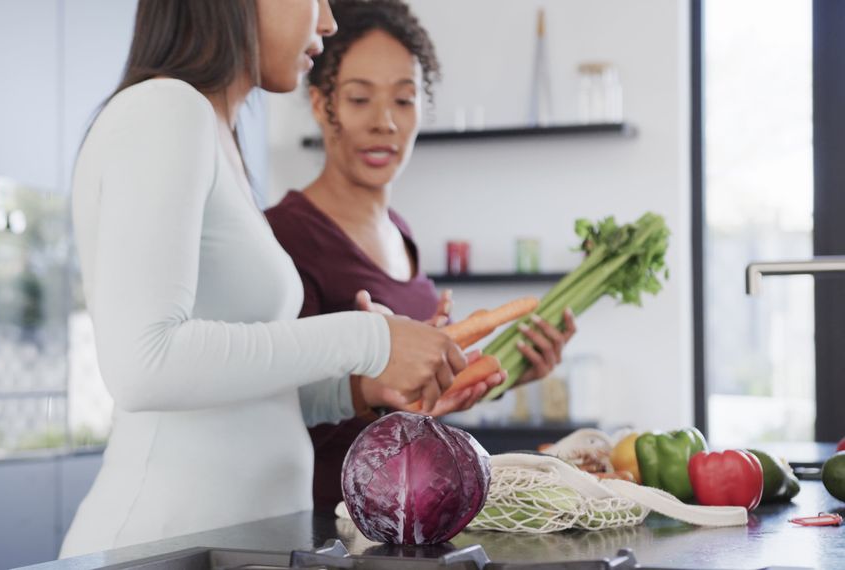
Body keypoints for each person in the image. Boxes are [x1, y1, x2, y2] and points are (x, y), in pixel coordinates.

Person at [60, 0, 471, 558]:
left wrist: (355, 388)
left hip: (232, 548)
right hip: (160, 548)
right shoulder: (165, 109)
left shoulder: (215, 135)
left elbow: (235, 398)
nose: (326, 21)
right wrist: (369, 338)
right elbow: (144, 365)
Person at [265, 0, 578, 514]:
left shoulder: (401, 235)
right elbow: (269, 403)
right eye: (361, 98)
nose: (385, 123)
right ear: (323, 106)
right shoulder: (284, 234)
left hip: (411, 522)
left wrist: (500, 373)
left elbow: (418, 408)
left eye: (404, 101)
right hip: (319, 524)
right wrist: (375, 382)